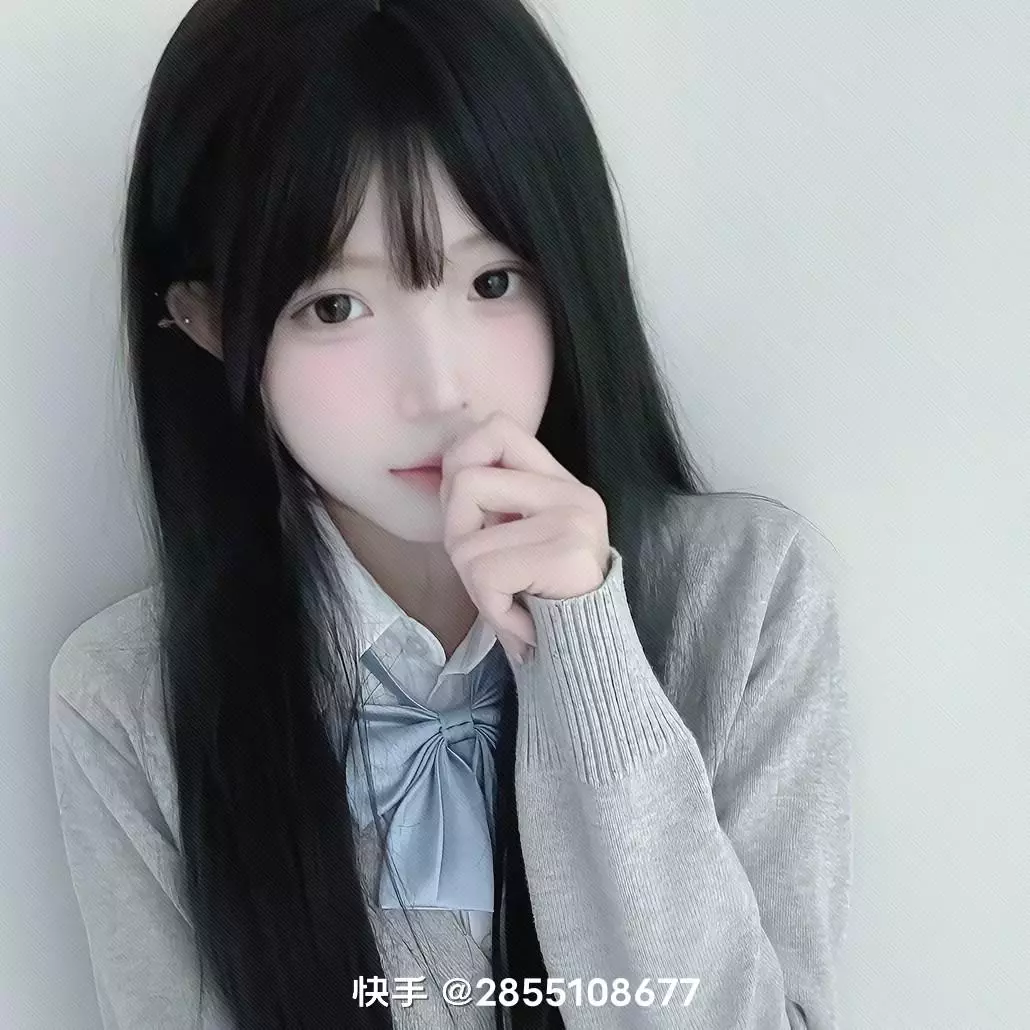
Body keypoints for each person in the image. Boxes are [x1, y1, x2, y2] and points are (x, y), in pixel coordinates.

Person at [48, 0, 853, 1027]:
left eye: (492, 280)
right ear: (205, 321)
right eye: (334, 305)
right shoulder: (131, 698)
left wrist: (588, 657)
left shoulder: (744, 595)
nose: (438, 388)